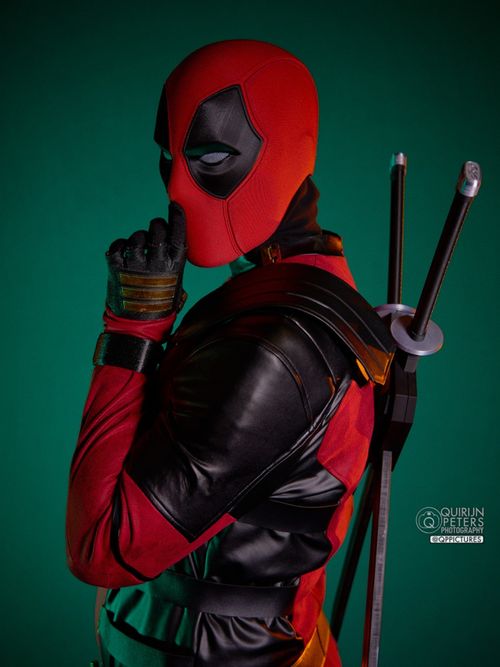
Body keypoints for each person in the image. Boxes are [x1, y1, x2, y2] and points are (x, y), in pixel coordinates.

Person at [66, 39, 392, 667]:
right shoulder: (298, 291)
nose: (177, 189)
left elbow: (99, 549)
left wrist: (131, 333)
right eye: (168, 160)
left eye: (210, 156)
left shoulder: (278, 343)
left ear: (286, 148)